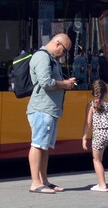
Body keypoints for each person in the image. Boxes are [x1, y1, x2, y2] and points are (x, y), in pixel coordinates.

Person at [25, 32, 78, 194]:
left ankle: (44, 181)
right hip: (41, 108)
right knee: (38, 144)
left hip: (49, 109)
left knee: (45, 146)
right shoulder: (42, 57)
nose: (64, 55)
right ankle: (35, 183)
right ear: (57, 44)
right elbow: (45, 82)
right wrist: (65, 84)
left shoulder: (50, 58)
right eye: (64, 51)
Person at [82, 78, 108, 192]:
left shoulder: (91, 105)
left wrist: (84, 137)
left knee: (97, 160)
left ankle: (102, 185)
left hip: (99, 134)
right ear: (106, 93)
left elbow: (88, 123)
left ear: (93, 93)